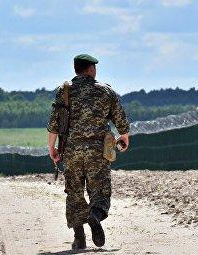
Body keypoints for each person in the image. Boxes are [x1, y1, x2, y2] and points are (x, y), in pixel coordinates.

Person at [46, 54, 130, 250]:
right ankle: (95, 215)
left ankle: (79, 238)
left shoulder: (64, 91)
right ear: (91, 69)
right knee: (100, 191)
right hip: (98, 152)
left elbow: (53, 125)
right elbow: (121, 122)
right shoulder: (105, 92)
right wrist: (124, 137)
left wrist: (52, 149)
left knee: (74, 193)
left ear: (76, 69)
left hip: (71, 151)